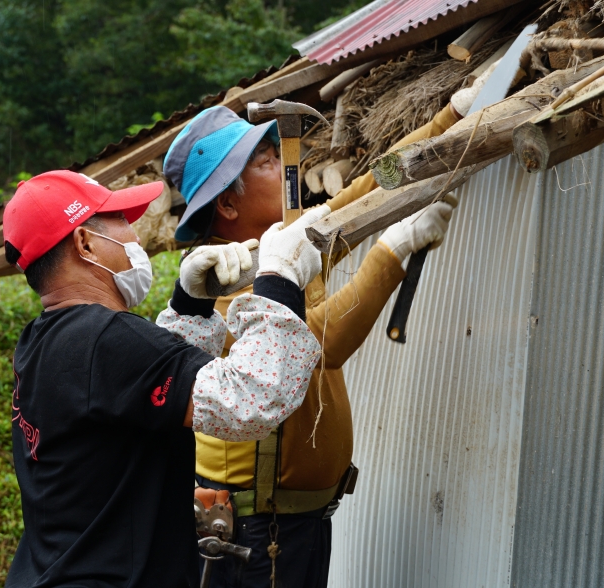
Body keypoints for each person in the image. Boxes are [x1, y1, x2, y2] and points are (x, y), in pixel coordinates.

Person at [162, 80, 488, 587]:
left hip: (294, 524)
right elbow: (321, 346)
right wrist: (392, 252)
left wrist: (451, 118)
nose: (288, 169)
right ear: (227, 205)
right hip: (254, 531)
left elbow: (370, 189)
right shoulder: (219, 284)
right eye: (268, 162)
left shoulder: (283, 253)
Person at [1, 169, 333, 587]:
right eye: (120, 223)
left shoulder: (43, 341)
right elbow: (253, 397)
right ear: (84, 243)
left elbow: (141, 392)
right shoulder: (106, 339)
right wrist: (279, 278)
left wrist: (190, 304)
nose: (135, 237)